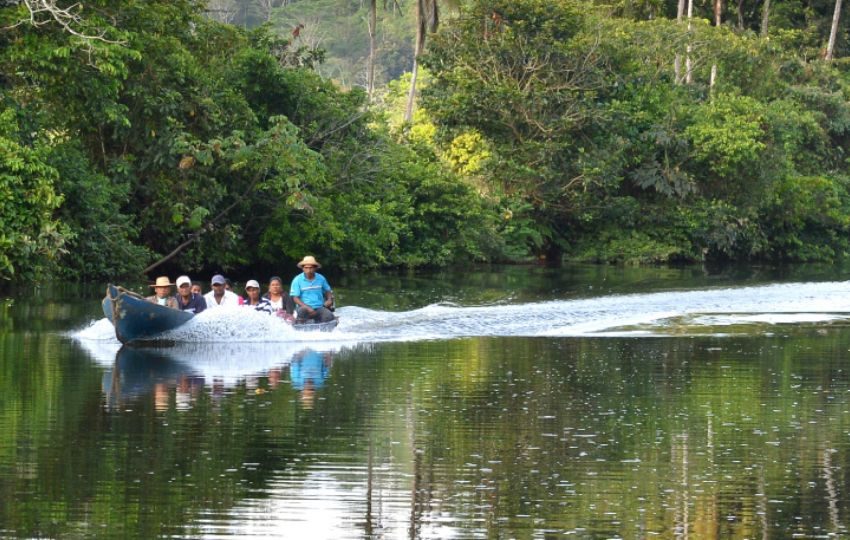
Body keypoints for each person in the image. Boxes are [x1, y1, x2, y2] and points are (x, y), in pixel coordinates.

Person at [290, 255, 335, 323]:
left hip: (319, 307)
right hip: (303, 307)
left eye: (311, 268)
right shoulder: (297, 280)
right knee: (302, 312)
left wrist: (329, 299)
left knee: (328, 316)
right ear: (303, 268)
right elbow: (295, 298)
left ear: (315, 268)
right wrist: (308, 308)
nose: (309, 270)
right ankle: (300, 326)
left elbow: (328, 290)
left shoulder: (321, 278)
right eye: (306, 268)